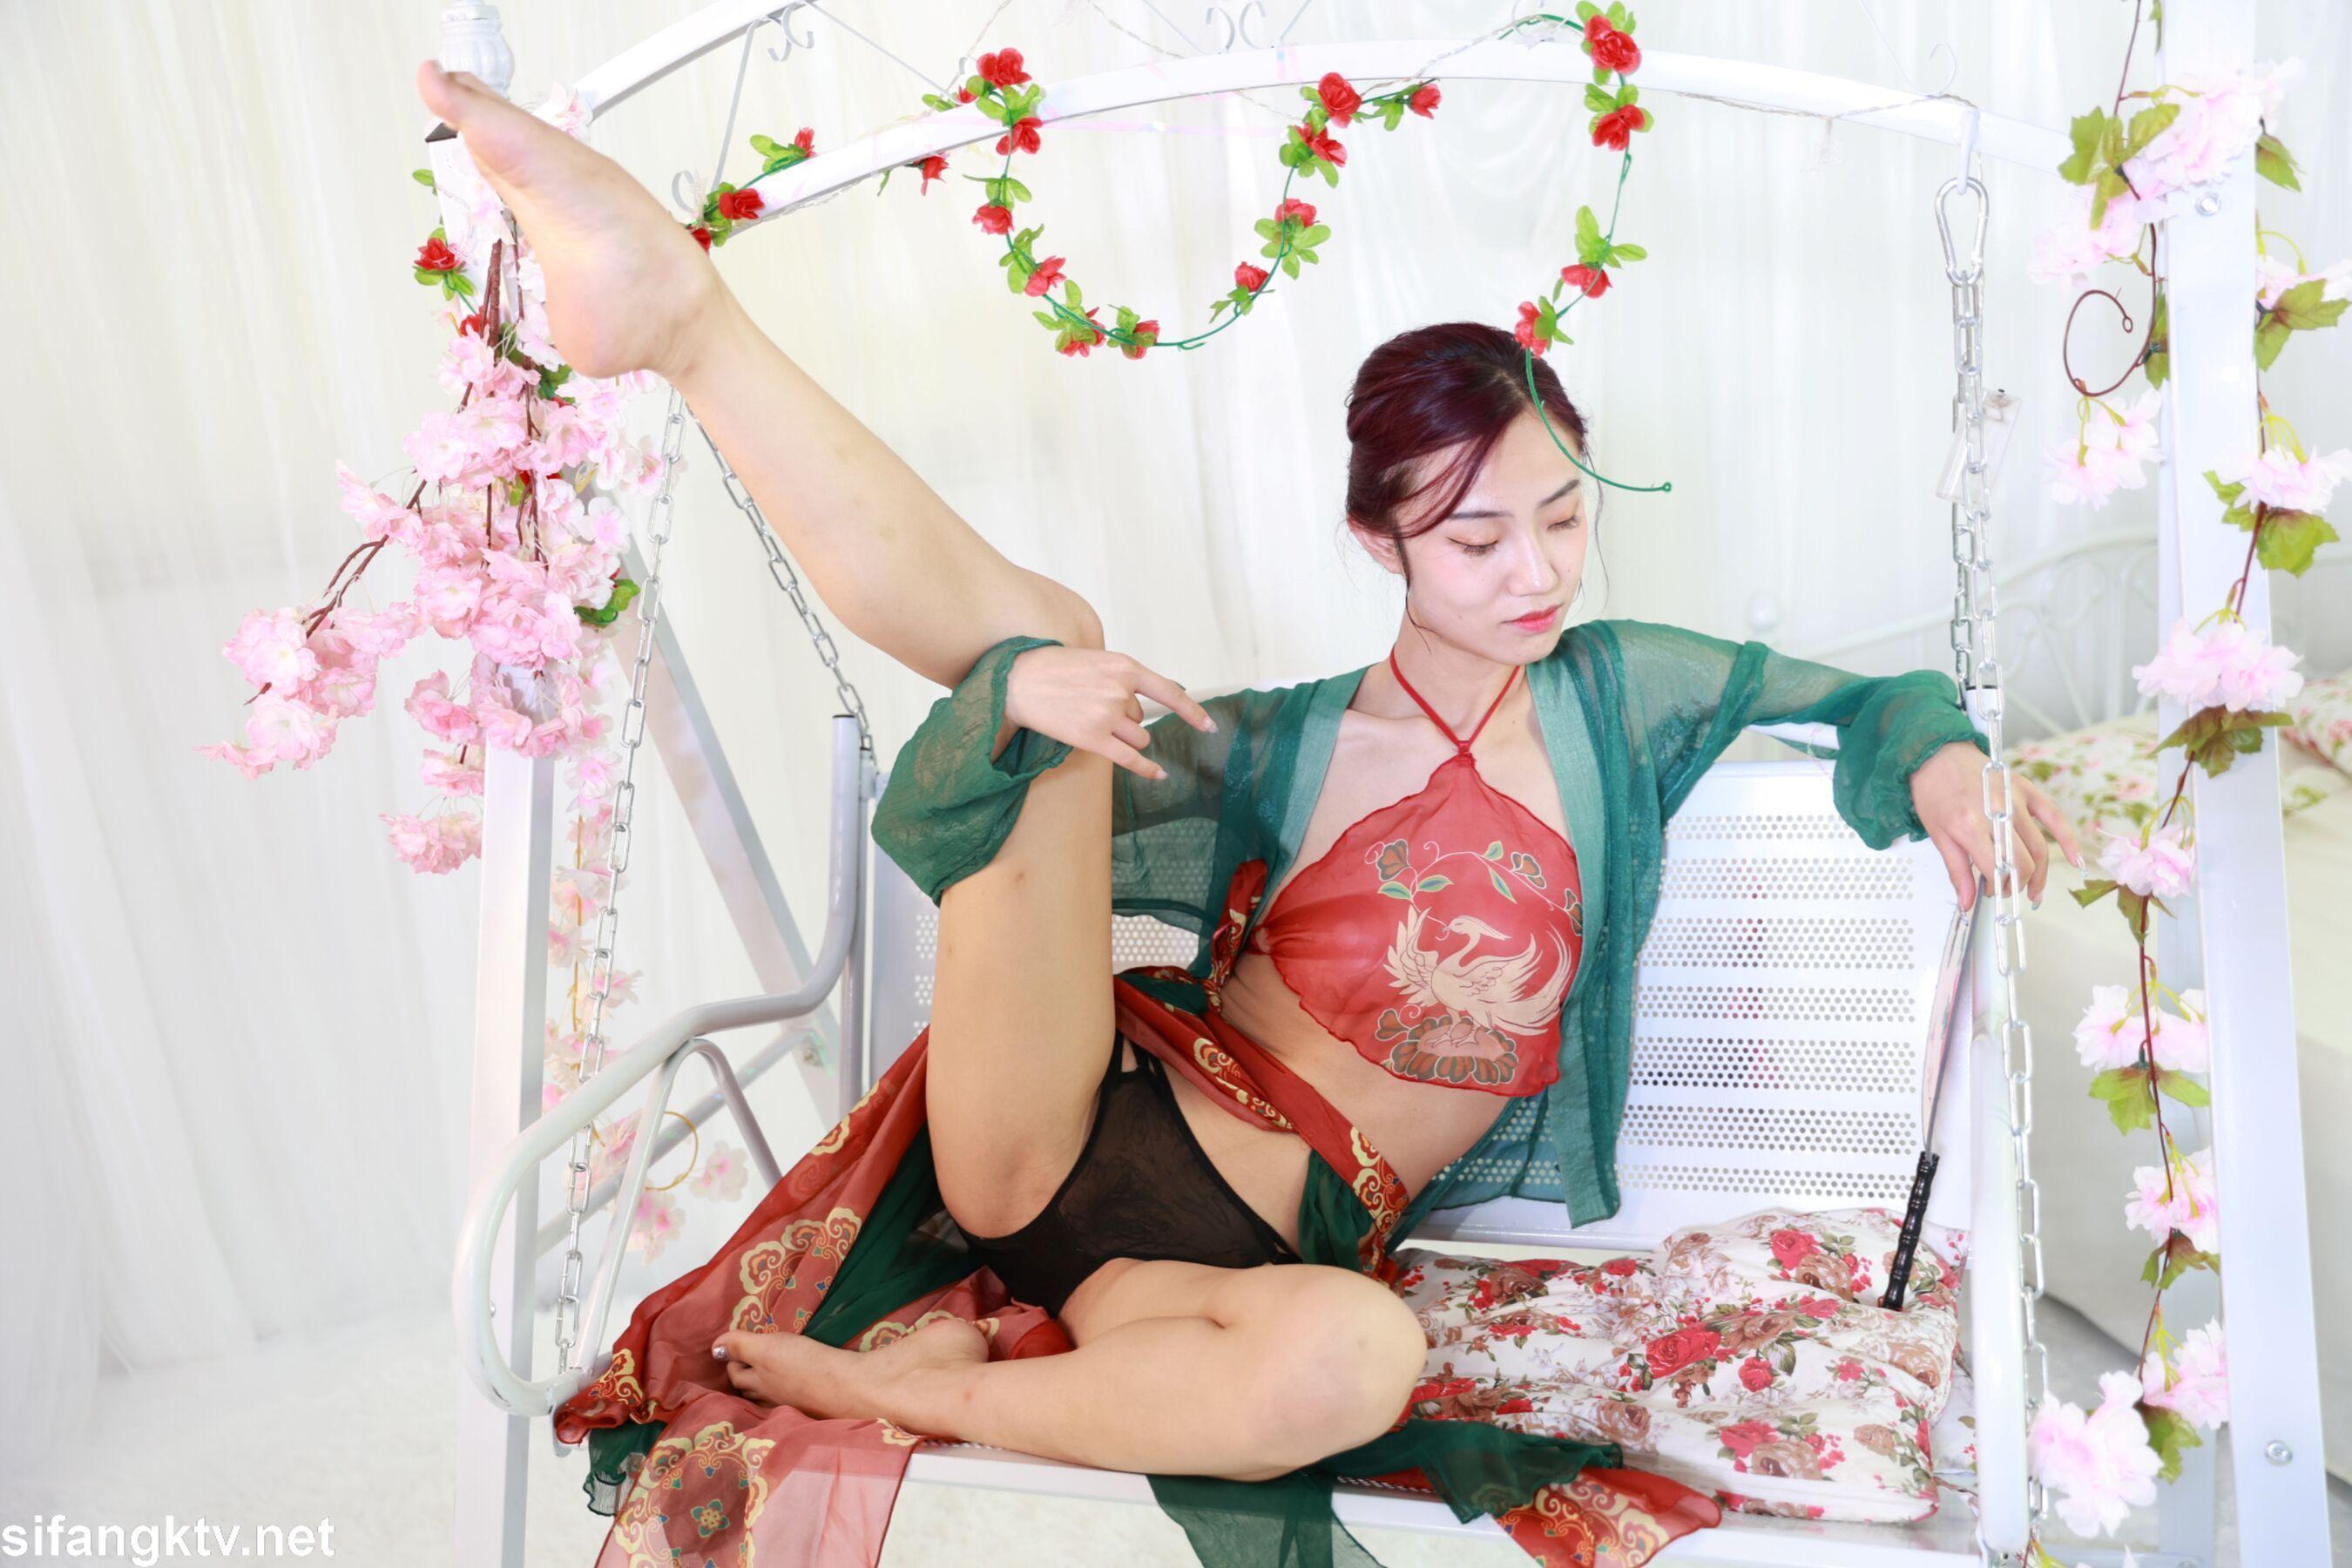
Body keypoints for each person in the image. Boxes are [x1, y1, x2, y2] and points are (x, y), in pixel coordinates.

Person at [414, 61, 2083, 1567]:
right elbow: (1008, 791)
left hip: (1209, 1281)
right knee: (1053, 648)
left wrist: (1938, 755)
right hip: (1060, 1134)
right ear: (1381, 545)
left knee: (1364, 1356)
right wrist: (1023, 702)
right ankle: (683, 321)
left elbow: (1864, 702)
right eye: (1478, 540)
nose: (1537, 572)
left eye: (1563, 519)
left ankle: (921, 1383)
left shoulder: (1620, 693)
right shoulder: (1280, 744)